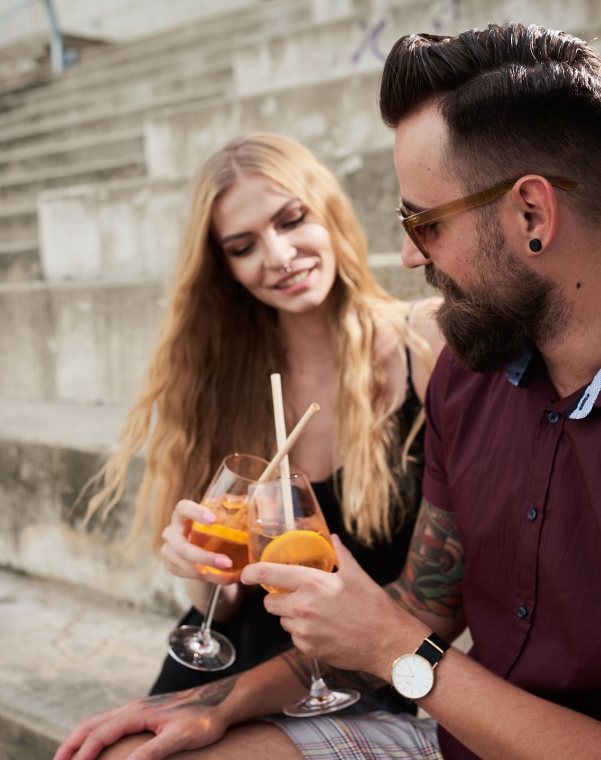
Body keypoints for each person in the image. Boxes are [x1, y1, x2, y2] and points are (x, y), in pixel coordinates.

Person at [56, 24, 601, 760]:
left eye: (423, 222)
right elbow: (423, 603)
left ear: (531, 215)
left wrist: (399, 649)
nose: (407, 254)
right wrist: (218, 702)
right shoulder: (470, 370)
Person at [82, 131, 444, 698]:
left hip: (351, 674)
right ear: (223, 268)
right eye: (243, 246)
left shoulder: (422, 341)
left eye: (292, 219)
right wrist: (203, 573)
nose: (278, 256)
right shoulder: (221, 381)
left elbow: (435, 598)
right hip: (231, 659)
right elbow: (222, 603)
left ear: (328, 211)